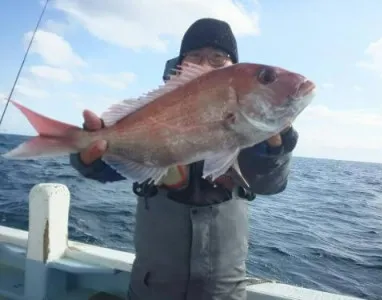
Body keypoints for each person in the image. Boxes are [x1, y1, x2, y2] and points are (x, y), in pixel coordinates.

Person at [71, 18, 299, 300]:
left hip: (222, 289)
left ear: (233, 68)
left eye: (218, 57)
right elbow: (105, 170)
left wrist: (277, 145)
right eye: (195, 56)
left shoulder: (249, 126)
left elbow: (269, 184)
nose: (206, 64)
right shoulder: (159, 109)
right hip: (152, 288)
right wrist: (87, 156)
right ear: (181, 63)